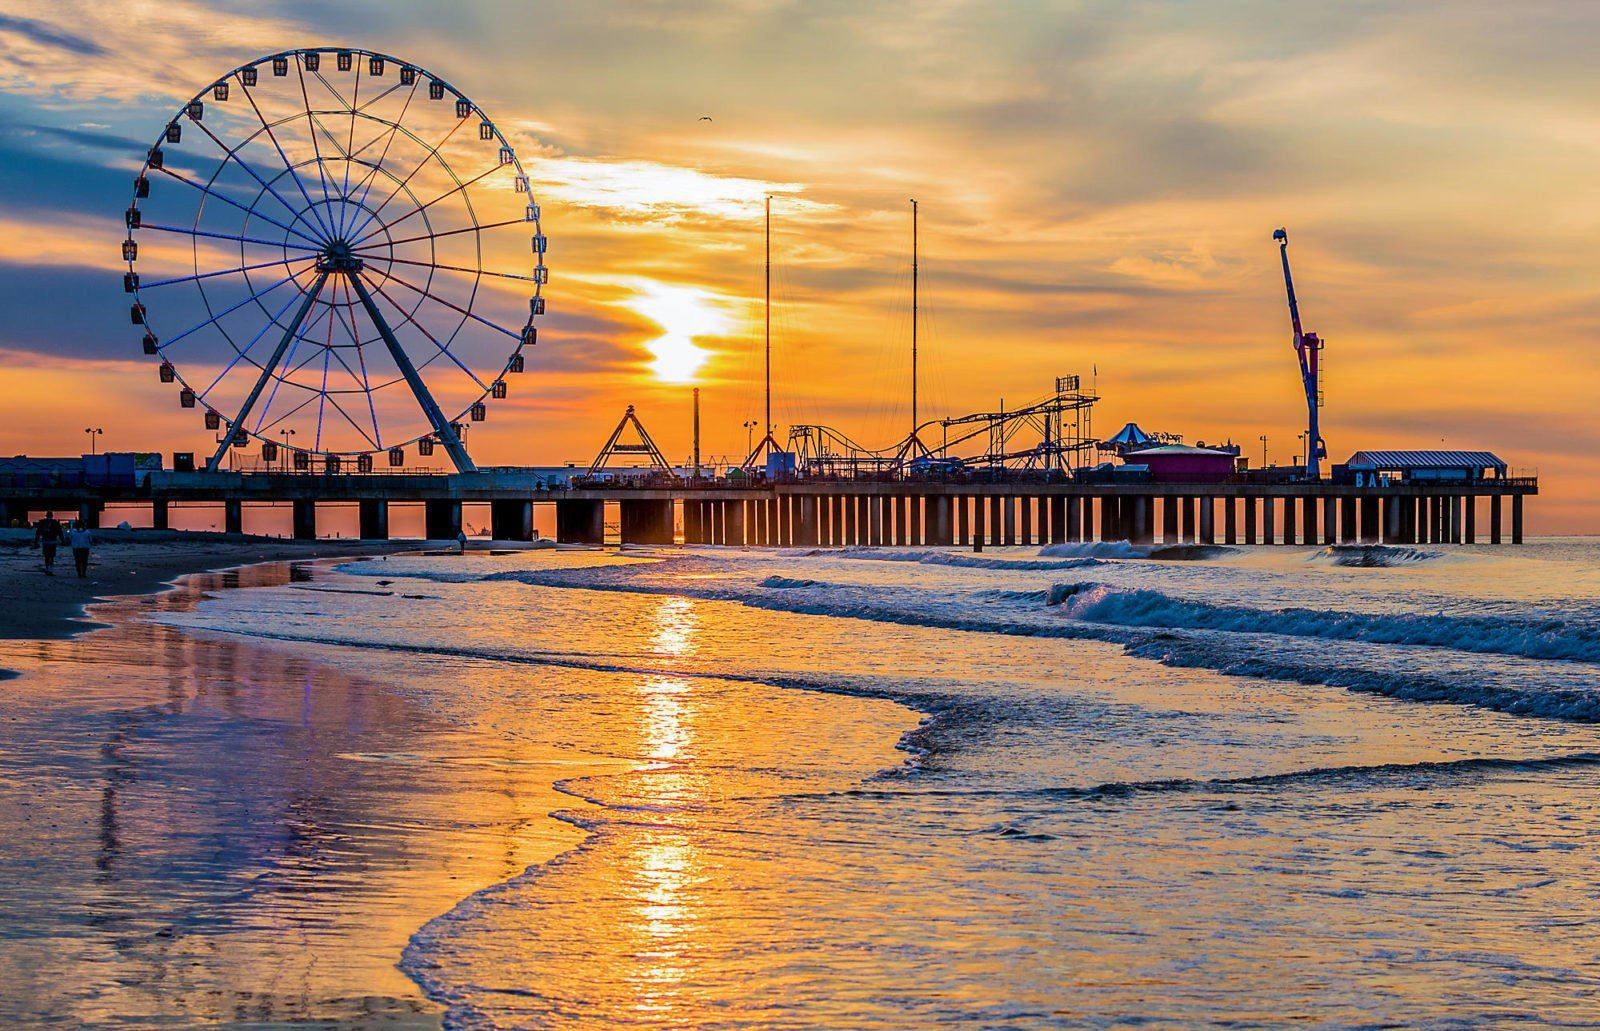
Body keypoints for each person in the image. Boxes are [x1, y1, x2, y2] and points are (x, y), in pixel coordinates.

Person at [33, 510, 62, 575]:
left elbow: (38, 532)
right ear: (52, 516)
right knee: (51, 556)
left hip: (45, 541)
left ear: (46, 516)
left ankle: (47, 568)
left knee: (46, 556)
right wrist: (62, 540)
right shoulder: (55, 522)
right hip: (53, 541)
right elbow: (60, 532)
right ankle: (50, 569)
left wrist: (36, 541)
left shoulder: (42, 522)